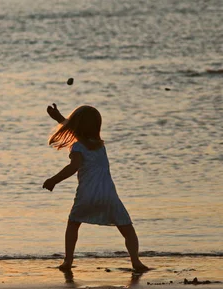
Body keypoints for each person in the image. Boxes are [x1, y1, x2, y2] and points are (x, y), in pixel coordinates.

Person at [42, 104, 149, 273]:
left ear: (76, 126)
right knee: (127, 228)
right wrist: (60, 118)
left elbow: (73, 167)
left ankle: (68, 261)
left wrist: (54, 180)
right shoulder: (100, 145)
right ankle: (135, 261)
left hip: (87, 195)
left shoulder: (77, 146)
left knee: (73, 224)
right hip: (109, 195)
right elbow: (76, 132)